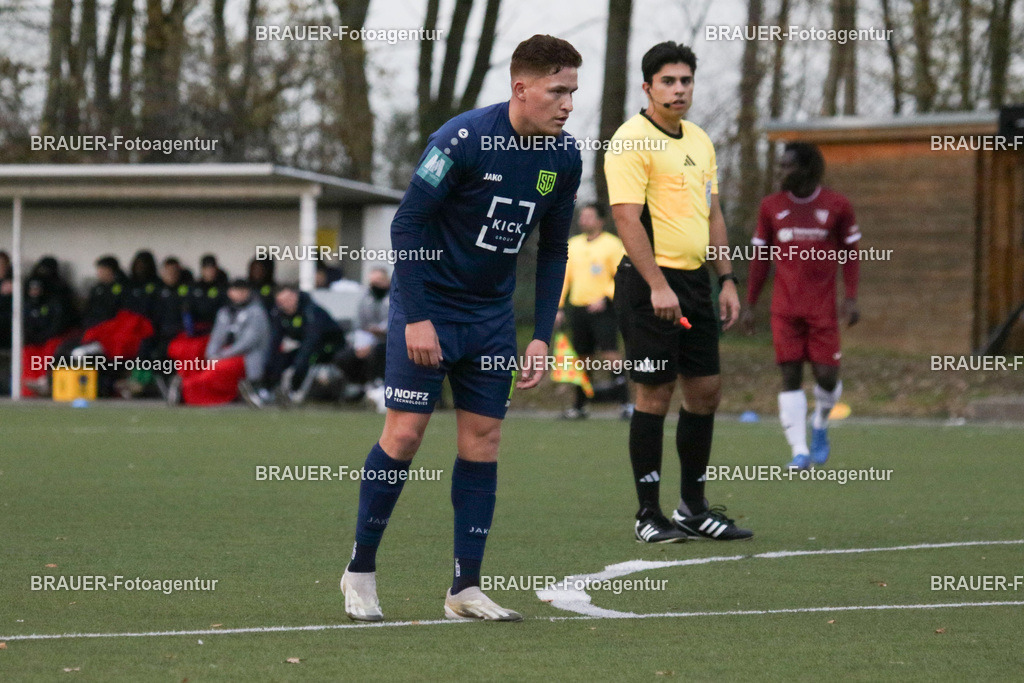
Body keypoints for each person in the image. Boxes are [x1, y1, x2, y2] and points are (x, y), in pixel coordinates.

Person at [340, 34, 582, 623]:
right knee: (405, 435)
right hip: (429, 308)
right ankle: (361, 571)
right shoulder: (462, 139)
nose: (568, 104)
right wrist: (418, 316)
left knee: (484, 441)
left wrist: (540, 335)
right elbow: (408, 224)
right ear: (521, 88)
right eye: (558, 91)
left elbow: (553, 253)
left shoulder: (566, 157)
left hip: (492, 320)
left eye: (573, 92)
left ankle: (464, 589)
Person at [606, 41, 752, 544]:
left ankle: (692, 507)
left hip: (695, 284)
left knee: (706, 391)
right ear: (647, 87)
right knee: (654, 393)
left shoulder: (701, 141)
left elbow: (713, 216)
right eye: (668, 81)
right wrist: (657, 285)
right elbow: (625, 218)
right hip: (649, 284)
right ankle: (648, 514)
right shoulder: (630, 140)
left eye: (686, 80)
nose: (679, 89)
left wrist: (727, 279)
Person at [741, 142, 861, 470]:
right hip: (785, 309)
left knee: (826, 376)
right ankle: (799, 450)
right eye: (780, 166)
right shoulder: (771, 207)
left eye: (787, 166)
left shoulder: (837, 205)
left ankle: (820, 422)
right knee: (790, 374)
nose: (781, 172)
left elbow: (851, 253)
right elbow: (760, 258)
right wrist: (749, 304)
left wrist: (850, 297)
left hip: (822, 309)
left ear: (807, 169)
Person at [555, 203, 627, 418]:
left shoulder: (613, 245)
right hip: (578, 308)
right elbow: (563, 279)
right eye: (582, 216)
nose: (584, 220)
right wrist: (557, 307)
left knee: (610, 354)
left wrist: (605, 297)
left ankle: (626, 404)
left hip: (604, 310)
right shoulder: (572, 245)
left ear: (600, 220)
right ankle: (580, 406)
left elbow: (622, 276)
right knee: (582, 358)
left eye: (589, 216)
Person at [169, 279, 271, 406]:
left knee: (217, 370)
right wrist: (211, 354)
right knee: (198, 358)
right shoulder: (225, 312)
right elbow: (217, 336)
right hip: (224, 354)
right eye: (235, 291)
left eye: (242, 291)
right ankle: (184, 386)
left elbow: (248, 342)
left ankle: (184, 388)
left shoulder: (257, 312)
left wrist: (222, 355)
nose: (238, 294)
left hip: (245, 357)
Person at [242, 284, 345, 406]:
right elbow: (275, 341)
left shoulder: (311, 311)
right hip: (306, 346)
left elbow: (312, 340)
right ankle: (266, 391)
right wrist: (268, 363)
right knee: (279, 359)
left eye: (288, 300)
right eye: (281, 301)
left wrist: (298, 364)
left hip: (329, 347)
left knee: (303, 361)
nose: (285, 304)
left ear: (295, 297)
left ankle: (294, 392)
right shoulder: (280, 314)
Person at [338, 267, 390, 405]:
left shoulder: (395, 297)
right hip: (367, 340)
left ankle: (379, 387)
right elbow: (359, 325)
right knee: (344, 356)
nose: (375, 285)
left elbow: (396, 323)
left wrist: (379, 333)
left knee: (379, 352)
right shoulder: (365, 299)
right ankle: (358, 387)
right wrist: (360, 345)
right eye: (372, 282)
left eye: (379, 281)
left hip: (388, 341)